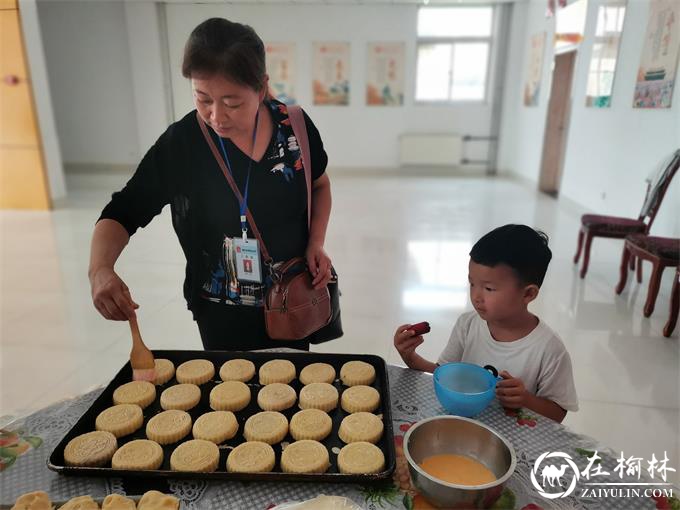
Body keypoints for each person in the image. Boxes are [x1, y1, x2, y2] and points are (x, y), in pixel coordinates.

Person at [88, 18, 333, 351]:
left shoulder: (295, 128)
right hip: (221, 311)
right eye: (203, 99)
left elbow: (319, 185)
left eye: (232, 103)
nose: (217, 116)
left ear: (261, 88)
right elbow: (123, 210)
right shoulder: (182, 144)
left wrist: (315, 241)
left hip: (292, 296)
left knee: (292, 388)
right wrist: (100, 269)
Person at [394, 224, 578, 422]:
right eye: (472, 284)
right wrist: (411, 358)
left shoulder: (549, 349)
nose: (476, 296)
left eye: (489, 288)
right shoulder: (468, 324)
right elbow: (443, 376)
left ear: (528, 294)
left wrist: (525, 399)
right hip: (463, 423)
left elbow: (558, 413)